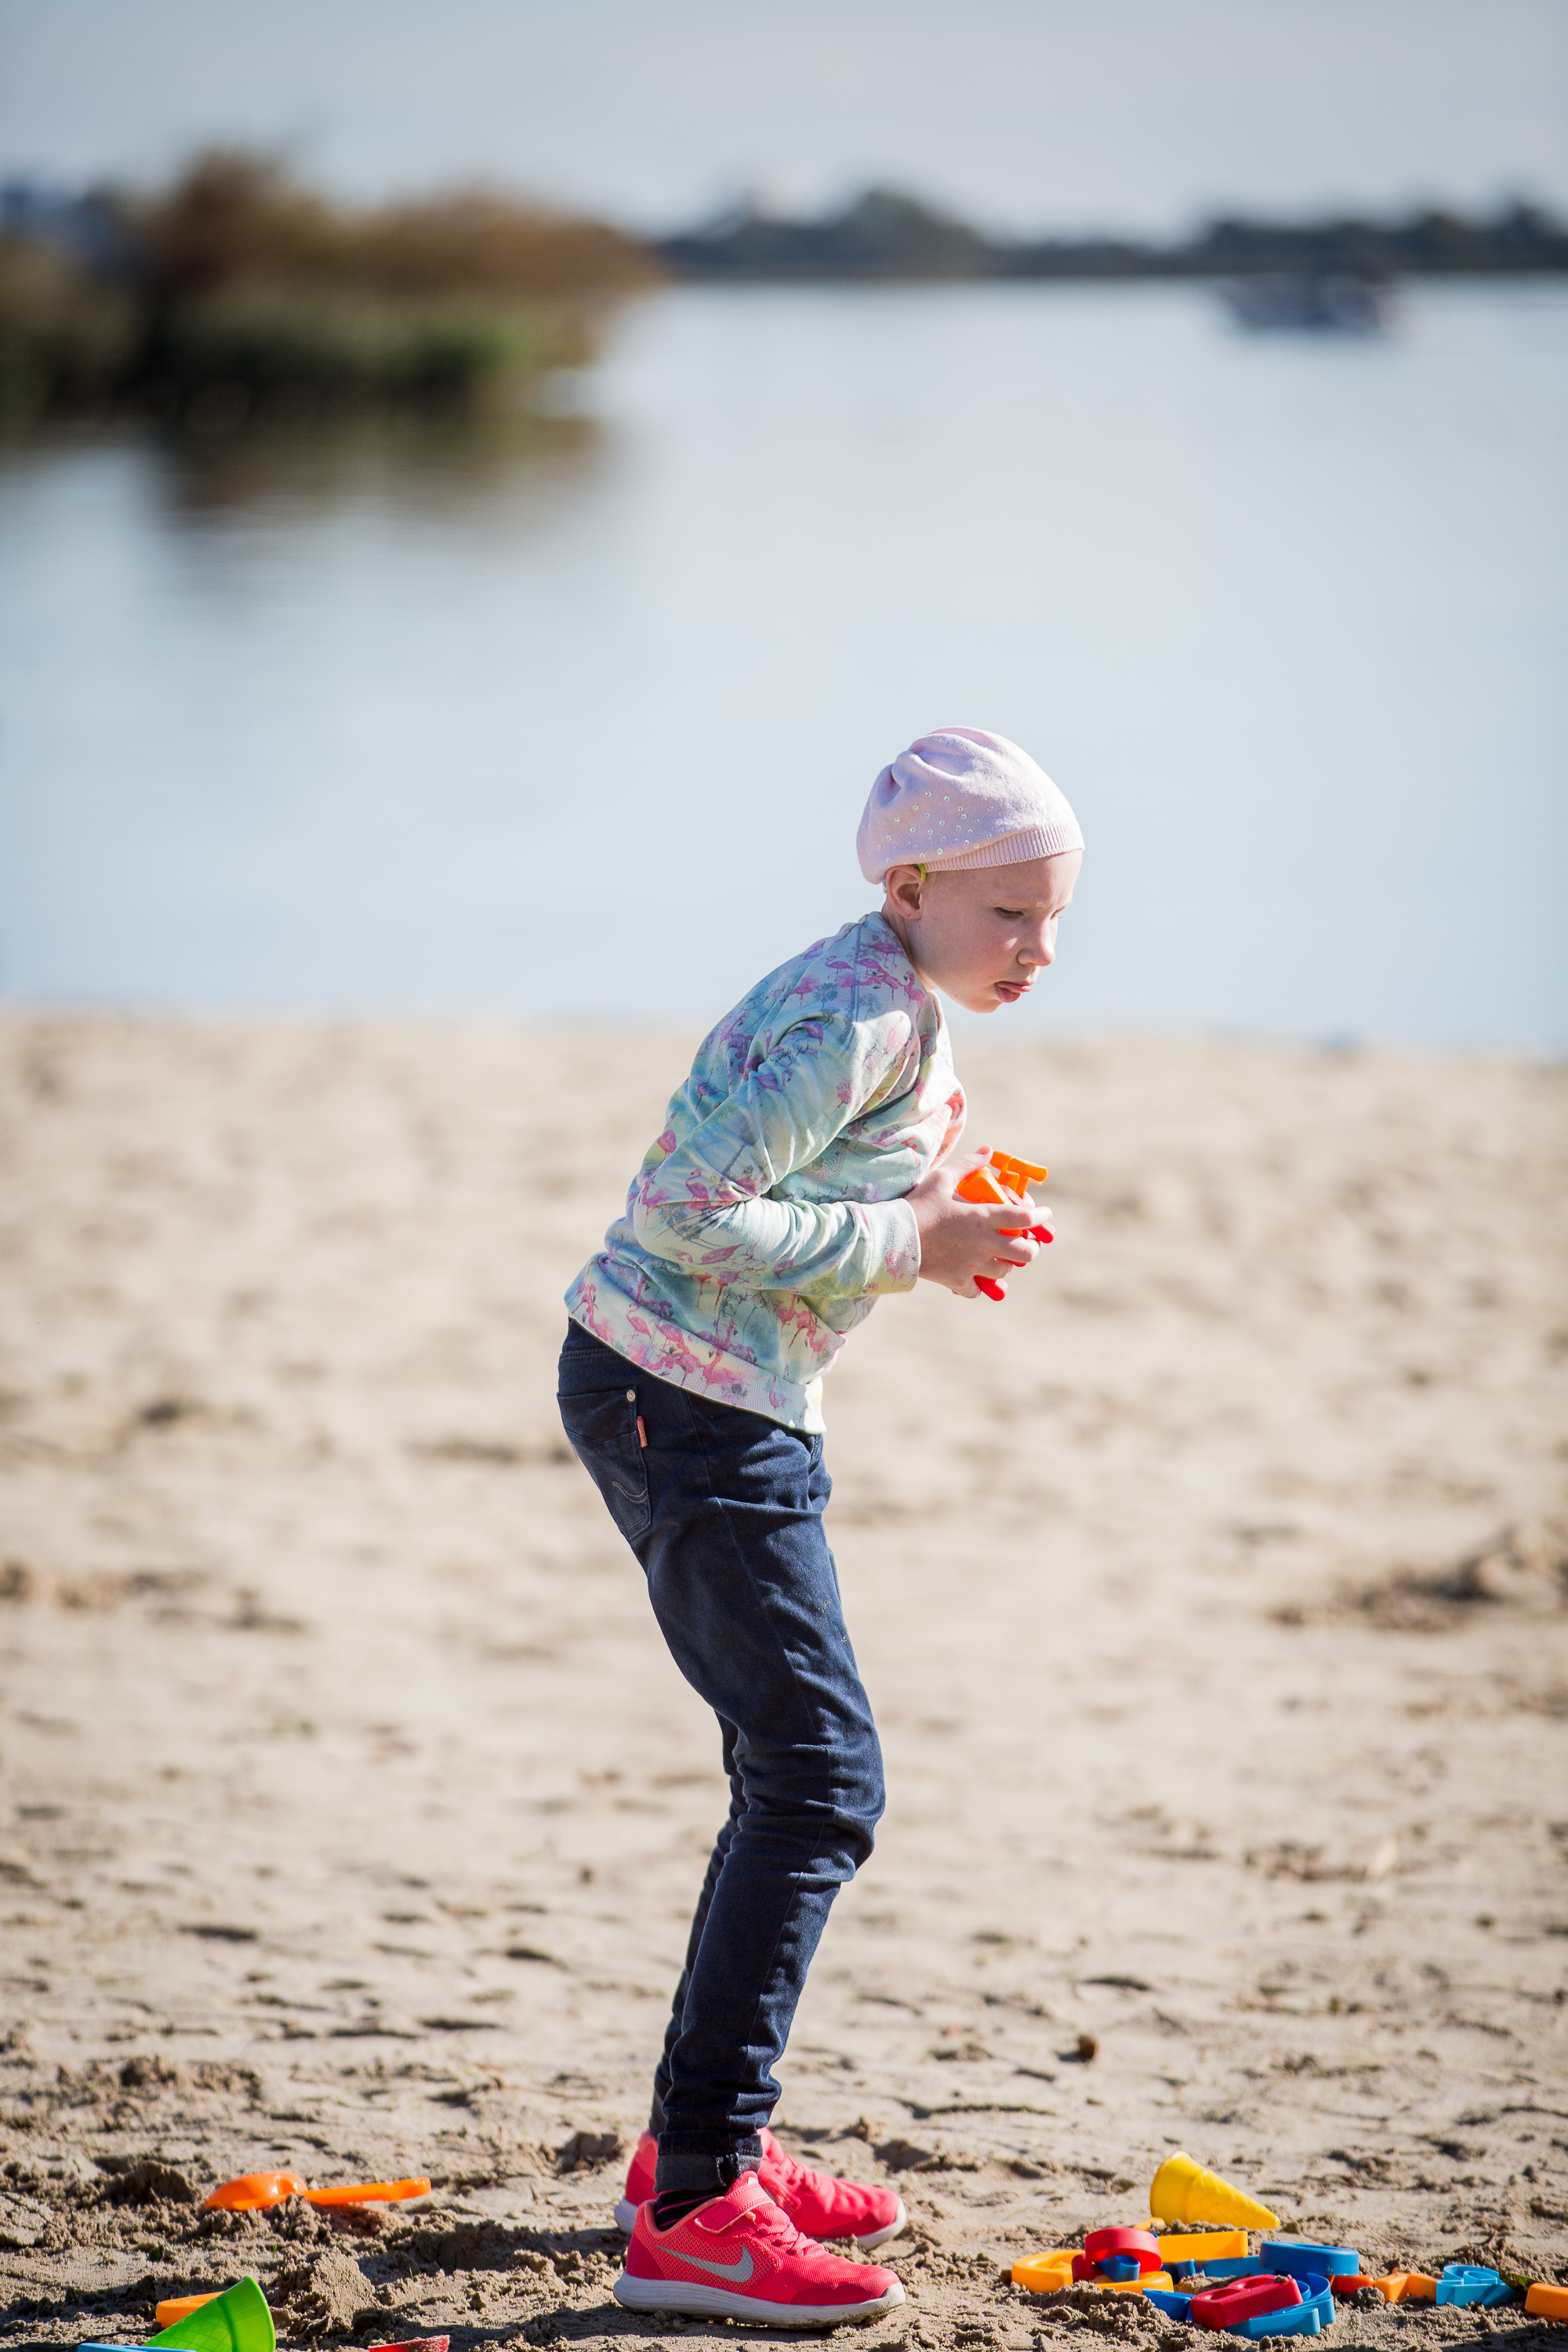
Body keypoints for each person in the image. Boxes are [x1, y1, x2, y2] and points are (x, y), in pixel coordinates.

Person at [557, 727, 1084, 2326]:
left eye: (1057, 919)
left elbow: (812, 1191)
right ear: (909, 887)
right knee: (818, 1783)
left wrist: (934, 1215)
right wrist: (905, 1243)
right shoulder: (857, 1019)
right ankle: (697, 2207)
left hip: (709, 1396)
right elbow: (682, 1215)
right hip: (686, 1402)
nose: (1038, 950)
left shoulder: (888, 995)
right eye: (1009, 914)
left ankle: (697, 2154)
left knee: (790, 1777)